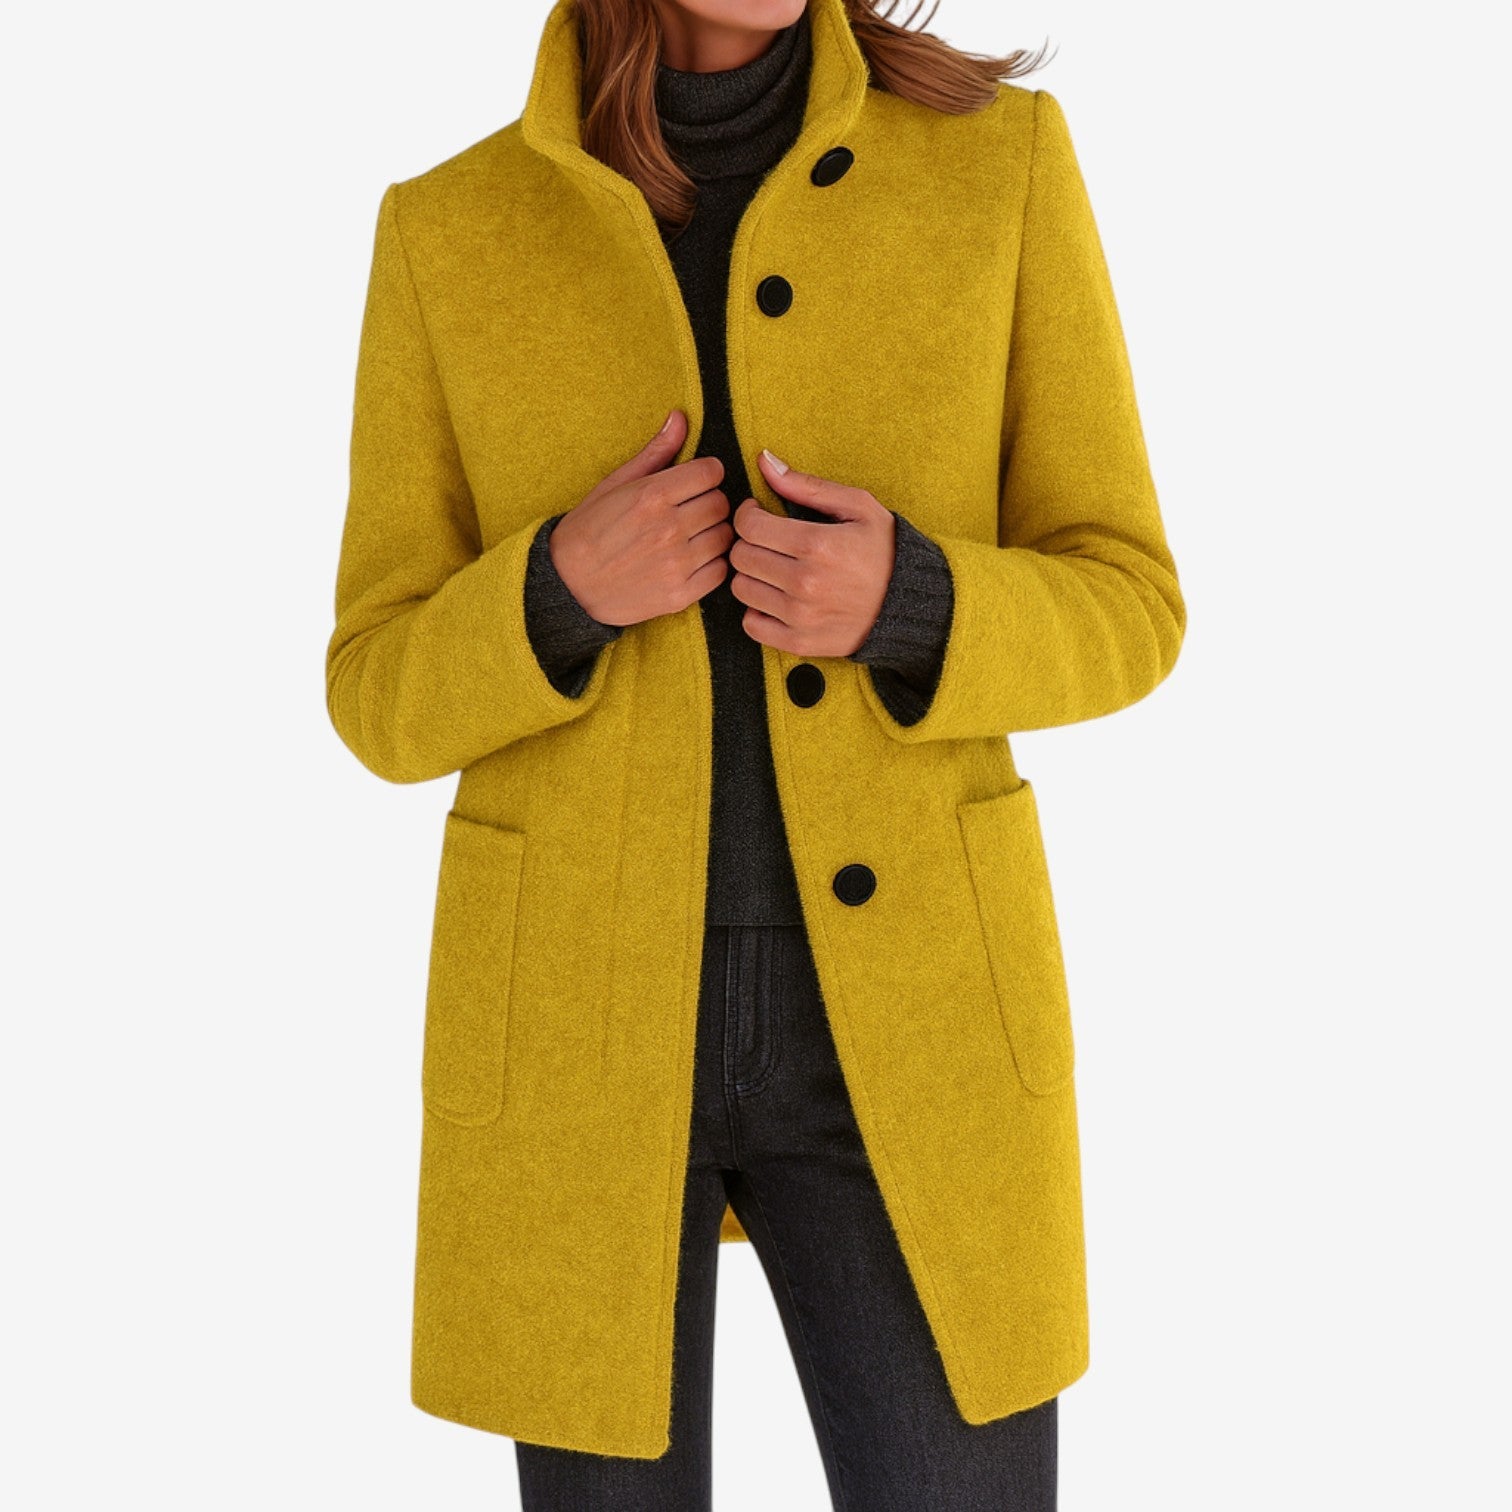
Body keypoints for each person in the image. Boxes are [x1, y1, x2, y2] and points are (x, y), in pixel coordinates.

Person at [324, 0, 1186, 1507]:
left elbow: (1132, 604)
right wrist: (554, 594)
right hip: (577, 1044)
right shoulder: (451, 230)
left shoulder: (999, 168)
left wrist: (917, 600)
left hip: (912, 1027)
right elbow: (375, 692)